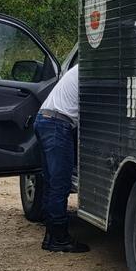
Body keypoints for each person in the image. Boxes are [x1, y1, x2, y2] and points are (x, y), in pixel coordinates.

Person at [33, 65, 87, 253]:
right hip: (57, 124)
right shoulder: (89, 68)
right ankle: (59, 238)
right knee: (60, 184)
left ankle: (50, 236)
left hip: (45, 119)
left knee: (51, 183)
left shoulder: (78, 68)